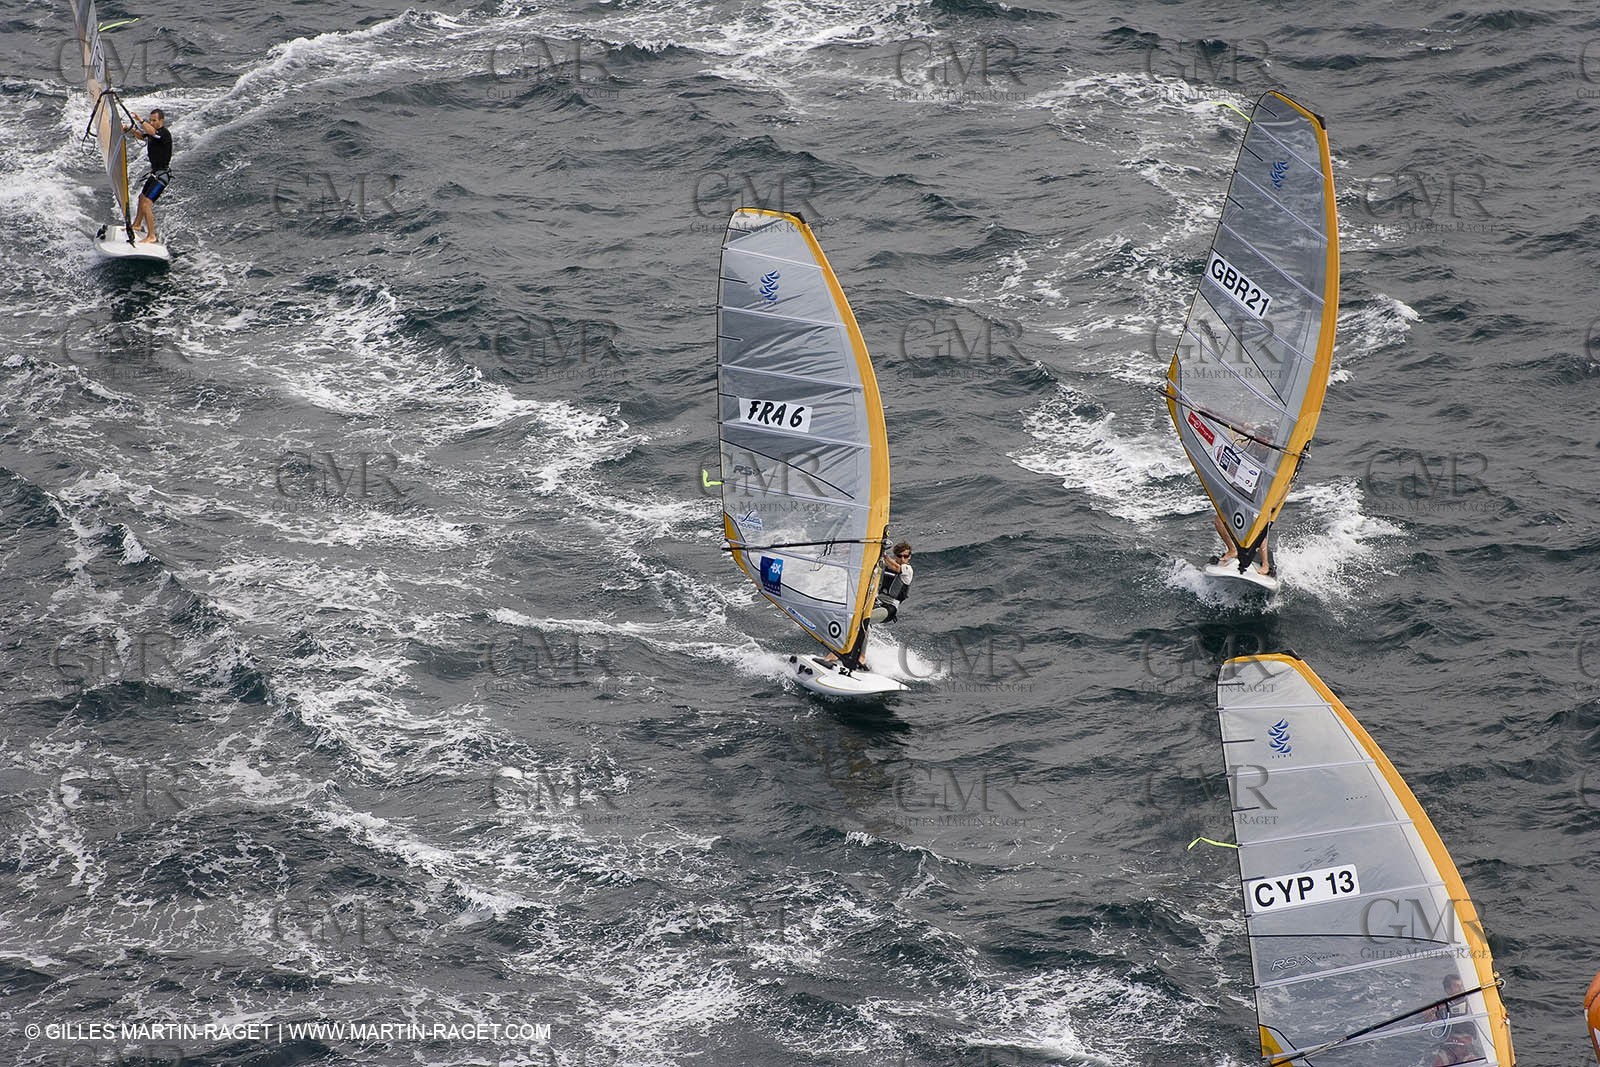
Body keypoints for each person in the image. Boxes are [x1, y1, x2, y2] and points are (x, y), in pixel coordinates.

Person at [823, 542, 914, 673]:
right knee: (851, 617)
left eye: (906, 556)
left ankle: (860, 657)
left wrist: (883, 554)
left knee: (864, 620)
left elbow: (896, 568)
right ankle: (844, 651)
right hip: (875, 602)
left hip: (889, 608)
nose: (903, 559)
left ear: (909, 557)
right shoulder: (886, 564)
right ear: (895, 555)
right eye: (900, 556)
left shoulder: (907, 570)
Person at [121, 108, 172, 243]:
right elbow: (142, 136)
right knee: (141, 198)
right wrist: (130, 129)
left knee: (147, 203)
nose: (152, 122)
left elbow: (152, 132)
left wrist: (140, 120)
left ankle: (151, 236)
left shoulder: (163, 133)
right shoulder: (152, 134)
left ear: (161, 121)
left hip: (162, 176)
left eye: (154, 120)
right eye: (150, 120)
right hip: (154, 174)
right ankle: (137, 225)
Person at [1425, 975, 1482, 1065]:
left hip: (1467, 1046)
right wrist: (1430, 1013)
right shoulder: (1442, 1005)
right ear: (1448, 990)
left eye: (1461, 986)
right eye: (1457, 986)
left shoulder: (1472, 1003)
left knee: (1473, 1062)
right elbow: (1428, 1018)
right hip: (1450, 1045)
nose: (1461, 989)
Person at [1209, 513, 1271, 577]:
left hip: (1258, 509)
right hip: (1245, 507)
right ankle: (1232, 550)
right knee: (1219, 520)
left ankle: (1265, 564)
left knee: (1259, 528)